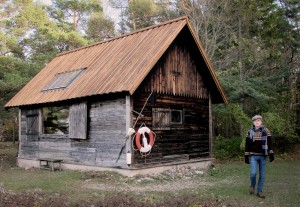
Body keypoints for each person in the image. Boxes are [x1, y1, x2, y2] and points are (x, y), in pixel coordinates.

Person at [244, 115, 274, 199]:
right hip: (253, 156)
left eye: (258, 120)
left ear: (261, 122)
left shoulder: (266, 131)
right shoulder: (250, 132)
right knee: (253, 173)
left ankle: (259, 191)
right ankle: (252, 185)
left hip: (263, 156)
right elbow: (247, 145)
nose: (257, 122)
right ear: (253, 122)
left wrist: (271, 153)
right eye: (255, 121)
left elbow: (270, 143)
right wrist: (246, 155)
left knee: (262, 175)